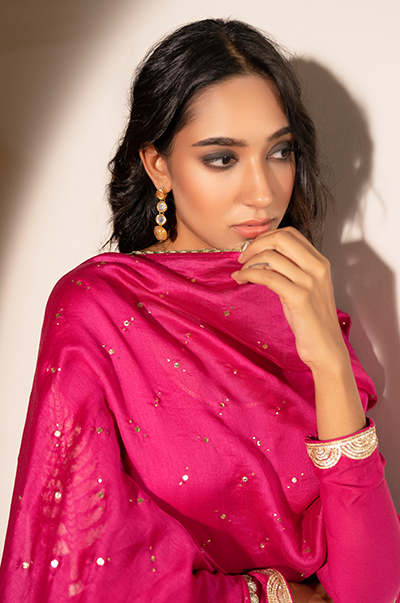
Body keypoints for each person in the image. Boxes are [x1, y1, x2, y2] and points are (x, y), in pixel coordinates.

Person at [0, 17, 399, 603]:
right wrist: (274, 597)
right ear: (157, 164)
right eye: (222, 159)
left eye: (280, 151)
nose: (262, 192)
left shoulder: (302, 303)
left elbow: (372, 590)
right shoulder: (98, 309)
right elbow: (77, 573)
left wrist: (330, 362)